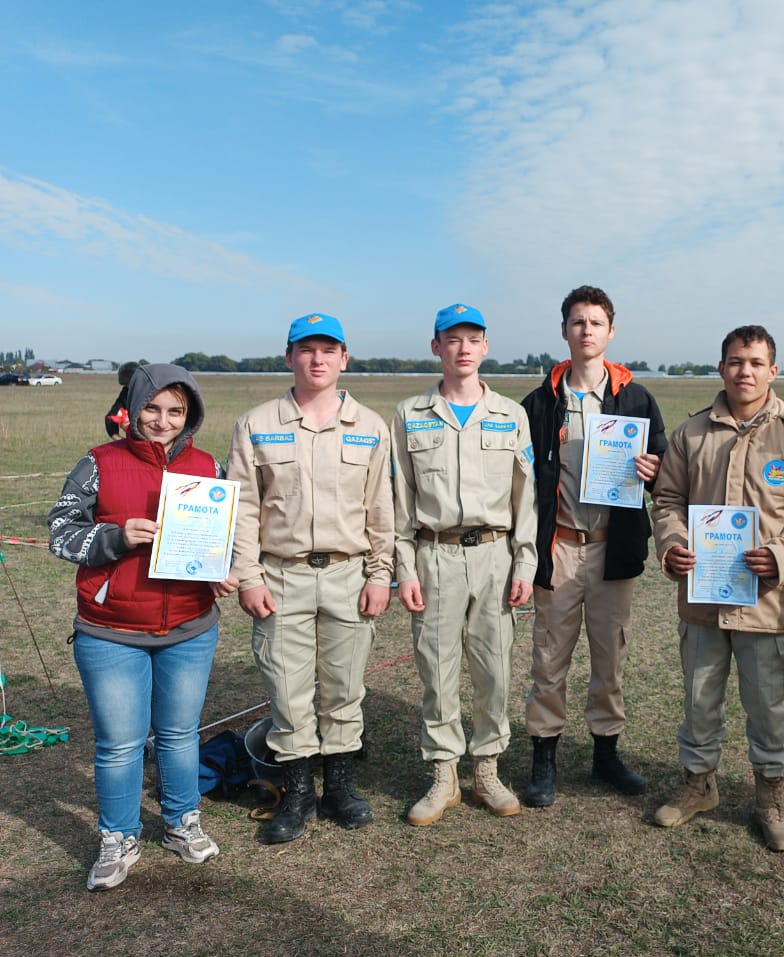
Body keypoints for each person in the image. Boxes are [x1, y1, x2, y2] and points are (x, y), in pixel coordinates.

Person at [48, 363, 235, 890]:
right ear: (132, 408)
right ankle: (119, 835)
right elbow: (60, 533)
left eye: (176, 410)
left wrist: (221, 569)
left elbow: (220, 536)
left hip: (190, 628)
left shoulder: (207, 466)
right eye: (152, 407)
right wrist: (115, 536)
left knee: (179, 735)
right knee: (119, 744)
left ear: (190, 414)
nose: (162, 420)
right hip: (111, 631)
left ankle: (181, 821)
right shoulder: (99, 462)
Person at [650, 325, 784, 851]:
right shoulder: (691, 433)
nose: (743, 371)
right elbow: (667, 500)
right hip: (702, 598)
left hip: (768, 602)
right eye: (734, 361)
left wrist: (781, 557)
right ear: (721, 368)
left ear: (773, 371)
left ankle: (770, 797)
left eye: (754, 362)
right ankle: (698, 784)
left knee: (768, 706)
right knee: (699, 699)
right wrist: (673, 544)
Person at [227, 313, 393, 844]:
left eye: (328, 350)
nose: (317, 359)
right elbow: (243, 508)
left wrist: (380, 574)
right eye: (306, 349)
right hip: (281, 576)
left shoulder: (371, 426)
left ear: (344, 358)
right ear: (289, 357)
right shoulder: (256, 424)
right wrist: (247, 577)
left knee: (345, 687)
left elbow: (381, 509)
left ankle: (339, 787)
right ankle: (297, 792)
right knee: (287, 689)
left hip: (349, 575)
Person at [519, 285, 667, 807]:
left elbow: (666, 473)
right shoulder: (539, 402)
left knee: (610, 658)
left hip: (612, 548)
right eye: (578, 322)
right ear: (564, 330)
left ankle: (606, 754)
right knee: (549, 658)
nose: (587, 330)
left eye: (596, 322)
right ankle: (544, 757)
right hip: (558, 546)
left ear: (611, 331)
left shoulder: (636, 399)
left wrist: (654, 470)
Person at [392, 303, 537, 825]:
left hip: (495, 554)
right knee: (436, 668)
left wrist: (525, 564)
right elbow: (400, 498)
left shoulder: (510, 414)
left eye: (473, 339)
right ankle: (443, 774)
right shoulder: (409, 413)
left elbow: (526, 497)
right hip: (435, 554)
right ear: (436, 347)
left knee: (494, 669)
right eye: (452, 339)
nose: (463, 348)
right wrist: (404, 569)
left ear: (486, 346)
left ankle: (488, 769)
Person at [104, 361, 139, 437]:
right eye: (127, 385)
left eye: (130, 384)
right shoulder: (126, 392)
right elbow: (111, 416)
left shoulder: (153, 392)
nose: (128, 387)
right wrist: (117, 437)